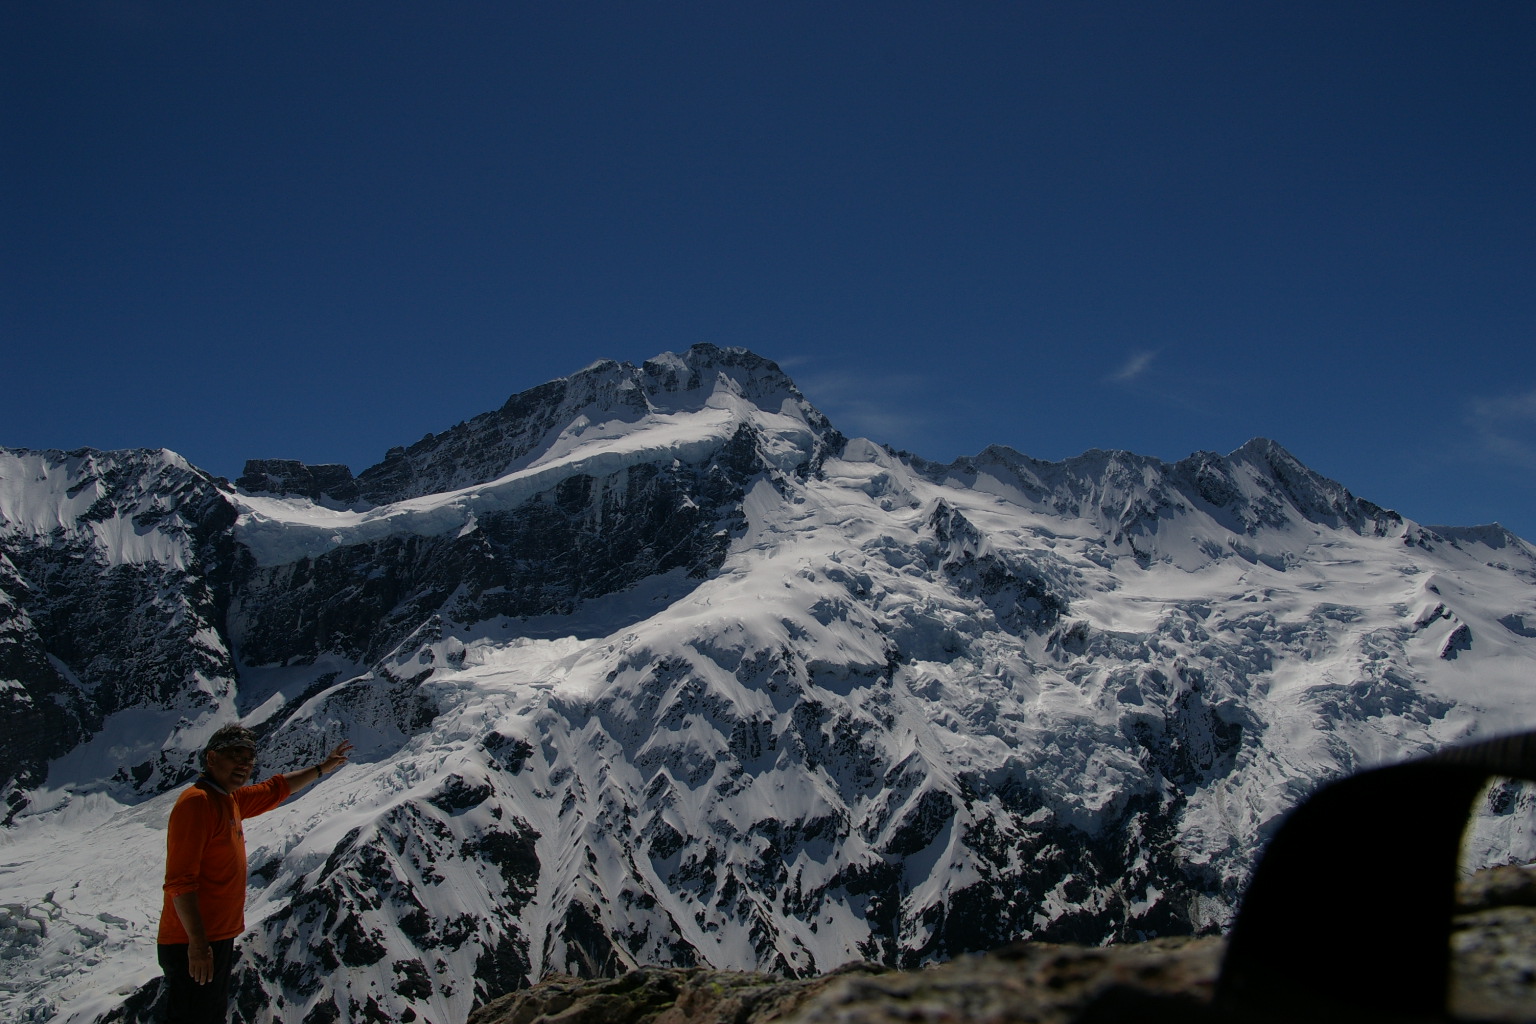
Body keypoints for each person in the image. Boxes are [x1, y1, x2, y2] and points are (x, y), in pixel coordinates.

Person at [157, 725, 354, 1024]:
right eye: (235, 754)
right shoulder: (198, 802)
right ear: (211, 758)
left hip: (213, 937)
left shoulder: (228, 800)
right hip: (193, 941)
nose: (244, 764)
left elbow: (277, 789)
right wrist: (197, 944)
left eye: (249, 758)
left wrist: (323, 768)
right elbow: (179, 882)